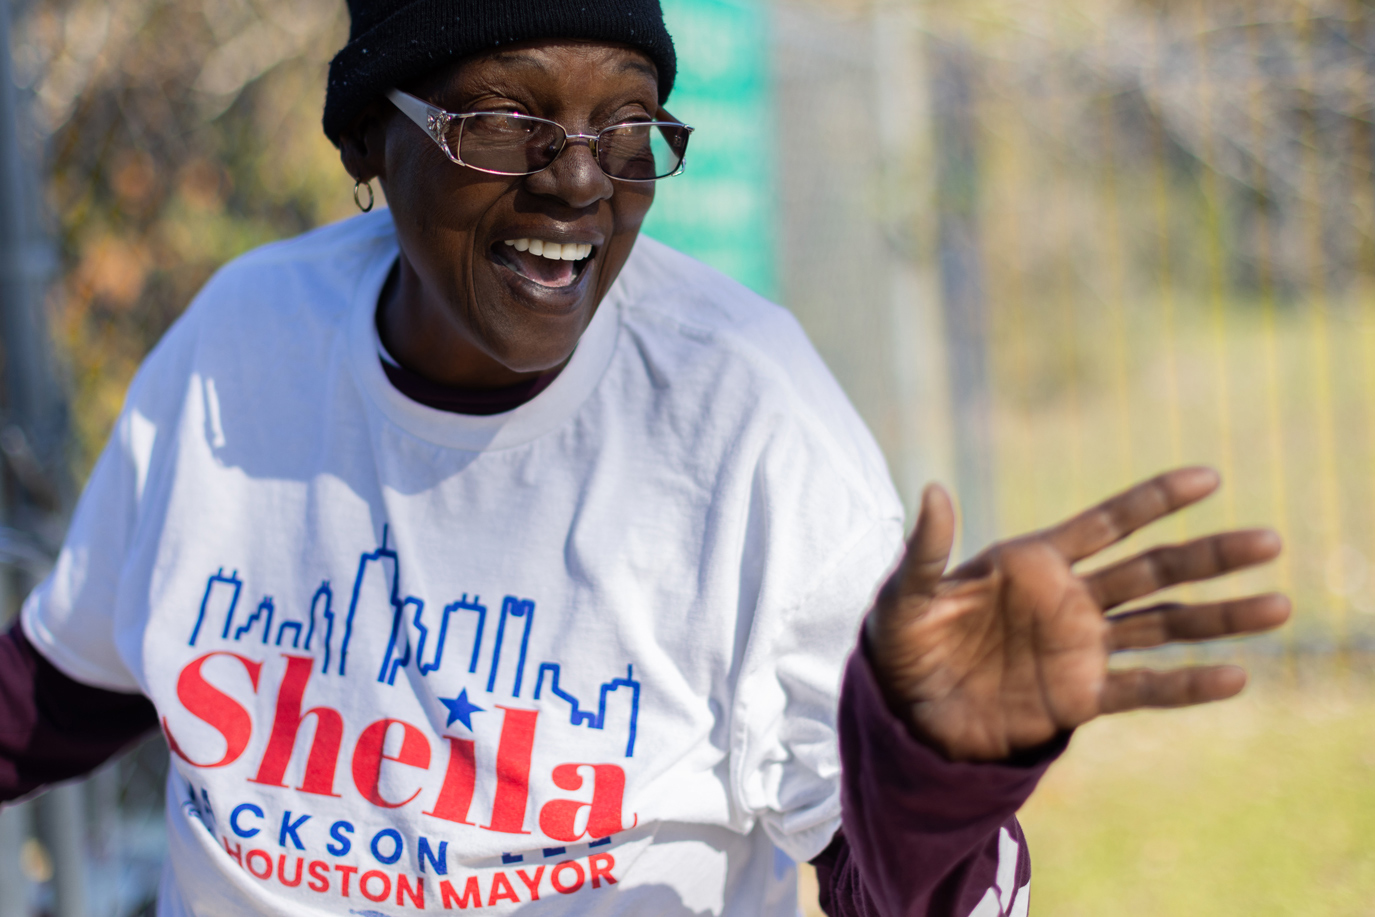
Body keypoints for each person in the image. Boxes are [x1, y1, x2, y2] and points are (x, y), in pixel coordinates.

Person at [0, 2, 1290, 915]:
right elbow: (63, 692)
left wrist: (932, 775)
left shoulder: (744, 420)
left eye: (627, 131)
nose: (578, 184)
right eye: (504, 124)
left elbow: (901, 897)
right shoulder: (241, 345)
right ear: (366, 146)